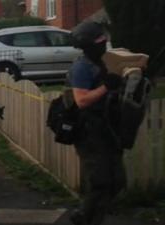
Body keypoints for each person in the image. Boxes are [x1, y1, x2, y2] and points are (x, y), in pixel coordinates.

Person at [69, 21, 126, 225]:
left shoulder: (102, 62)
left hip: (108, 128)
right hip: (89, 131)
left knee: (117, 181)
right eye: (100, 41)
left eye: (104, 40)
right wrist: (106, 87)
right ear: (88, 44)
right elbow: (81, 100)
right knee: (99, 182)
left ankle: (86, 214)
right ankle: (86, 217)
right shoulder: (81, 67)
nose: (104, 43)